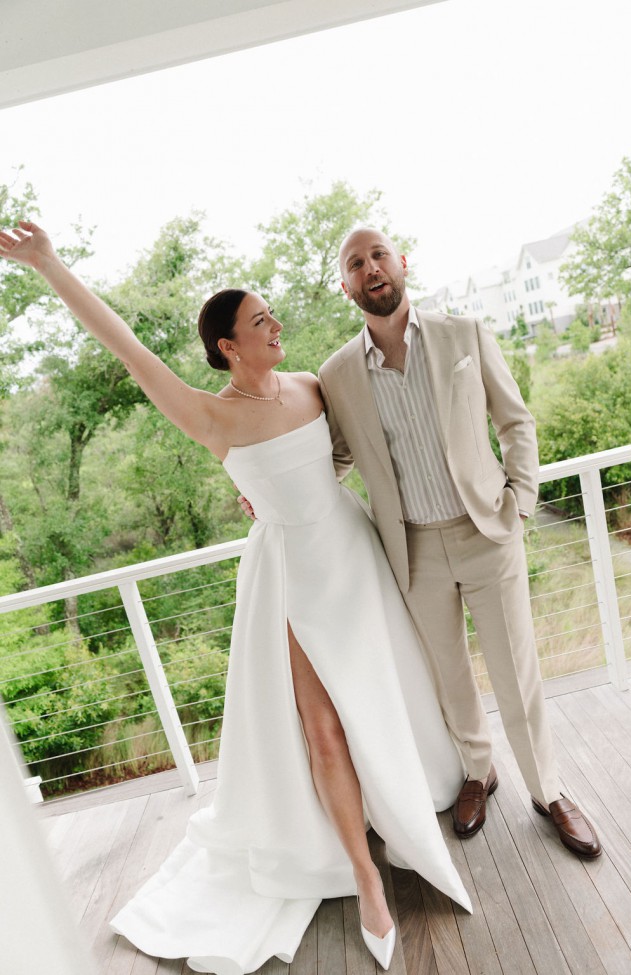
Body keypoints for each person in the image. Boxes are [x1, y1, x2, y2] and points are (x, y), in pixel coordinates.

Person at [0, 221, 473, 975]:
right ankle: (365, 878)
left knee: (382, 695)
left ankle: (403, 806)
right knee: (322, 730)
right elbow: (127, 348)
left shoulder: (313, 385)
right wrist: (48, 263)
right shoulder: (209, 416)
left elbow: (362, 447)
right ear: (228, 345)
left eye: (271, 315)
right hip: (291, 576)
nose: (275, 324)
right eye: (260, 320)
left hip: (354, 558)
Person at [314, 226, 601, 859]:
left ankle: (549, 791)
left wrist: (521, 501)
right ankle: (478, 771)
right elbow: (335, 458)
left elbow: (515, 421)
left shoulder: (463, 334)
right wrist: (277, 491)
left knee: (516, 674)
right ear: (346, 286)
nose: (371, 268)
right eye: (356, 263)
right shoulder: (336, 375)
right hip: (411, 552)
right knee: (448, 679)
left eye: (379, 255)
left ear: (401, 262)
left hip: (487, 533)